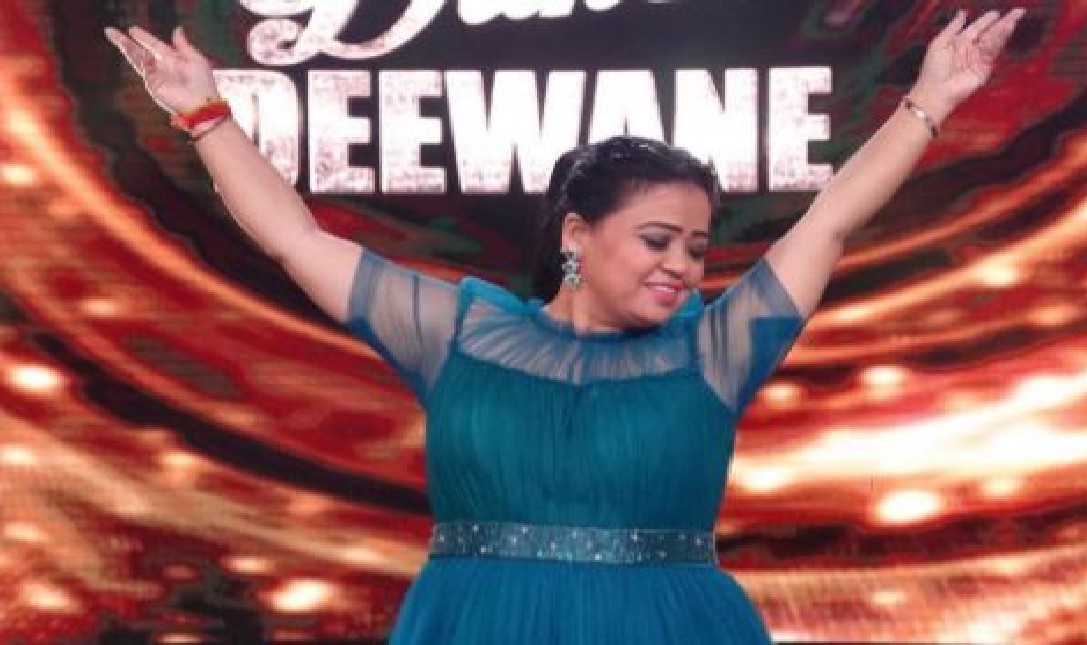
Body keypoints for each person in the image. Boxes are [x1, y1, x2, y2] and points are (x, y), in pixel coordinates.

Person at [105, 7, 1025, 643]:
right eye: (658, 240)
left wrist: (929, 102)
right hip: (475, 624)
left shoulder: (715, 348)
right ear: (578, 235)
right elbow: (295, 238)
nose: (682, 265)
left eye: (697, 247)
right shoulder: (457, 332)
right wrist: (206, 114)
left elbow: (827, 222)